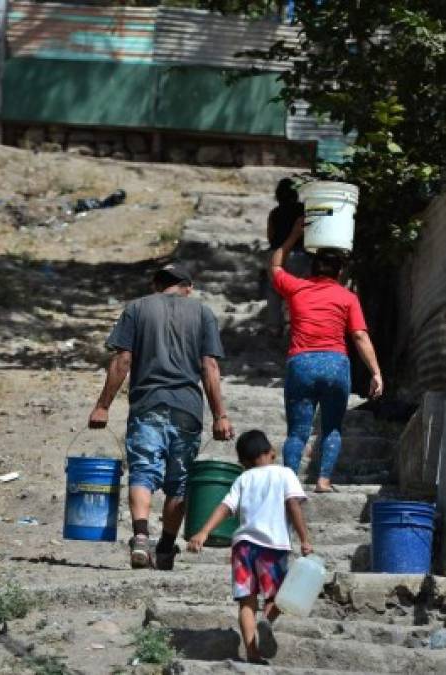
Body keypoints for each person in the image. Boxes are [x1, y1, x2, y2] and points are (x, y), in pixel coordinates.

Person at [88, 262, 234, 570]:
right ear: (188, 286)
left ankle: (141, 538)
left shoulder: (137, 309)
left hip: (147, 404)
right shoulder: (203, 313)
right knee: (179, 482)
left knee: (142, 470)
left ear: (157, 285)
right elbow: (209, 367)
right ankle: (166, 547)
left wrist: (103, 405)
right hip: (187, 408)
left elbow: (123, 360)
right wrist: (220, 415)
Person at [269, 223, 384, 493]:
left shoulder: (296, 288)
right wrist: (375, 371)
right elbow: (359, 336)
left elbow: (275, 267)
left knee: (297, 431)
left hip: (302, 364)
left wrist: (294, 235)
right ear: (340, 272)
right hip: (335, 365)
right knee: (332, 427)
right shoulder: (347, 297)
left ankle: (289, 483)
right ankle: (322, 480)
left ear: (312, 269)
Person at [188, 429, 312, 665]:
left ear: (243, 462)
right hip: (272, 547)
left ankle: (252, 654)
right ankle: (266, 622)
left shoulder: (242, 478)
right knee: (277, 597)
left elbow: (225, 507)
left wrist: (204, 532)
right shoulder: (285, 473)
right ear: (272, 452)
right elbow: (293, 505)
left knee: (246, 600)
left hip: (243, 547)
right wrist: (304, 538)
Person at [266, 178, 312, 337]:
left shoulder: (274, 213)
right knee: (300, 292)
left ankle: (274, 328)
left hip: (276, 254)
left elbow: (270, 237)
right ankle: (297, 327)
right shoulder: (303, 210)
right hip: (299, 255)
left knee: (274, 292)